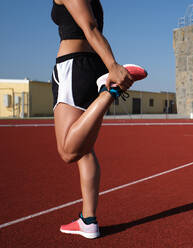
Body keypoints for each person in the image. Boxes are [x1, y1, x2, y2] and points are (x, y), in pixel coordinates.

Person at [51, 0, 135, 239]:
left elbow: (90, 27)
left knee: (68, 151)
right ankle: (88, 221)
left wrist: (113, 66)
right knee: (86, 150)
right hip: (88, 67)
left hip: (74, 66)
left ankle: (110, 92)